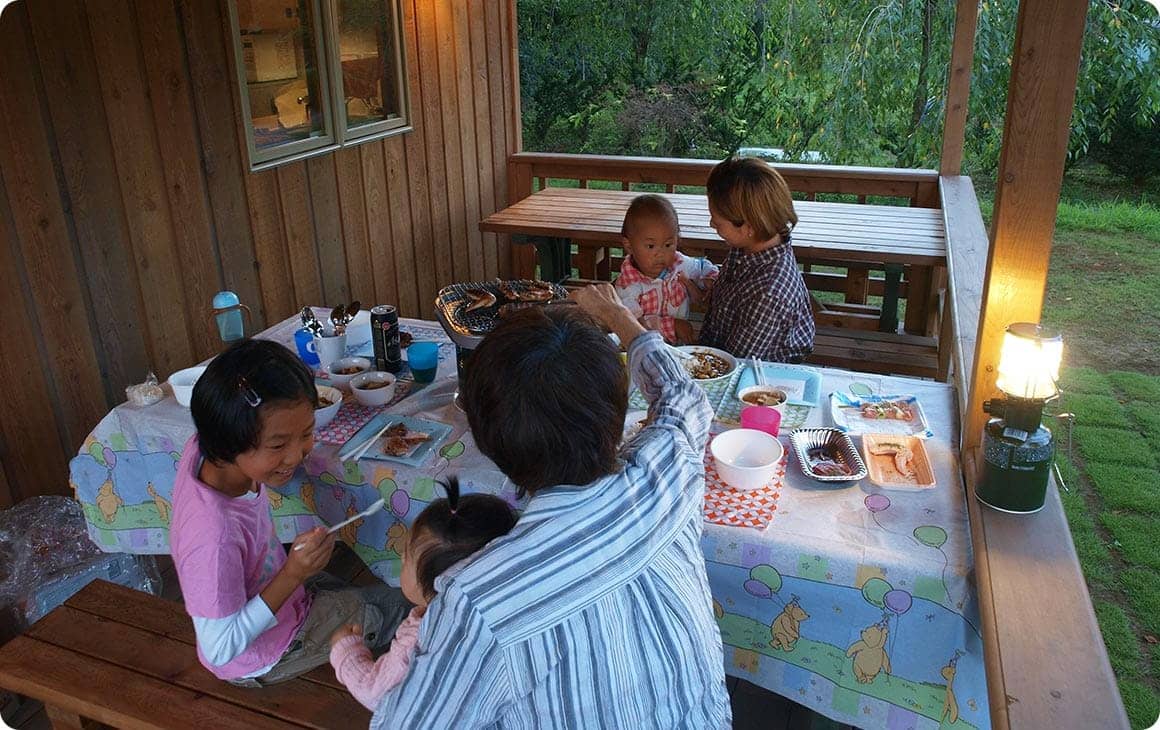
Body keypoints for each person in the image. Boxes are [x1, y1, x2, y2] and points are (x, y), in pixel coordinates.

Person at [370, 286, 731, 729]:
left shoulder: (479, 601)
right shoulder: (668, 470)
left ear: (487, 441)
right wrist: (619, 317)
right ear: (618, 415)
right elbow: (684, 396)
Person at [169, 338, 411, 686]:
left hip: (279, 593)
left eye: (307, 433)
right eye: (278, 444)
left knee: (371, 592)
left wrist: (293, 574)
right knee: (407, 610)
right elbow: (220, 647)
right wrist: (293, 575)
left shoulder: (208, 451)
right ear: (227, 440)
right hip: (262, 654)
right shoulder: (212, 536)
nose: (296, 456)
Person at [328, 477, 517, 710]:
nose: (401, 559)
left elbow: (374, 692)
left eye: (406, 557)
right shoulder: (508, 604)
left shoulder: (418, 640)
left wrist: (347, 652)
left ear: (438, 584)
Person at [698, 155, 815, 362]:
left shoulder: (769, 293)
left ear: (748, 227)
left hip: (756, 375)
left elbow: (732, 364)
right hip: (719, 348)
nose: (711, 224)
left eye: (717, 222)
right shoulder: (748, 247)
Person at [614, 193, 719, 345]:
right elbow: (634, 323)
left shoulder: (678, 264)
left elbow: (702, 267)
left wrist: (710, 278)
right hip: (644, 351)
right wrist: (671, 325)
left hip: (679, 347)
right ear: (629, 245)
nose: (661, 254)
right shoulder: (627, 286)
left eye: (668, 245)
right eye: (651, 246)